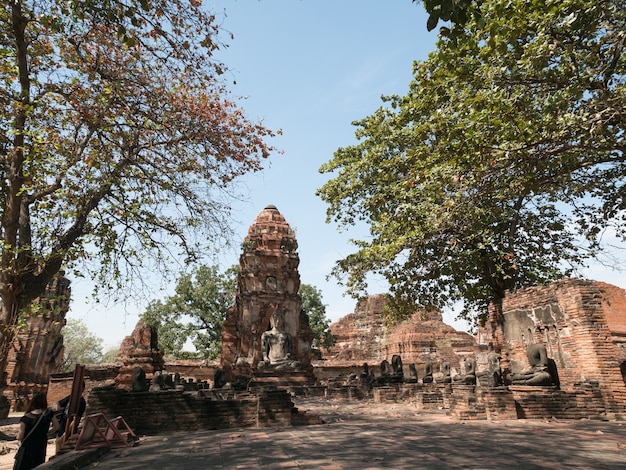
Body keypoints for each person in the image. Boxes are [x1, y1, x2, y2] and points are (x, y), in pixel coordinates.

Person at [14, 392, 59, 470]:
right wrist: (47, 434)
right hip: (41, 443)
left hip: (27, 446)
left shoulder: (26, 417)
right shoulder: (48, 413)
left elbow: (19, 436)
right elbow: (57, 426)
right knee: (38, 465)